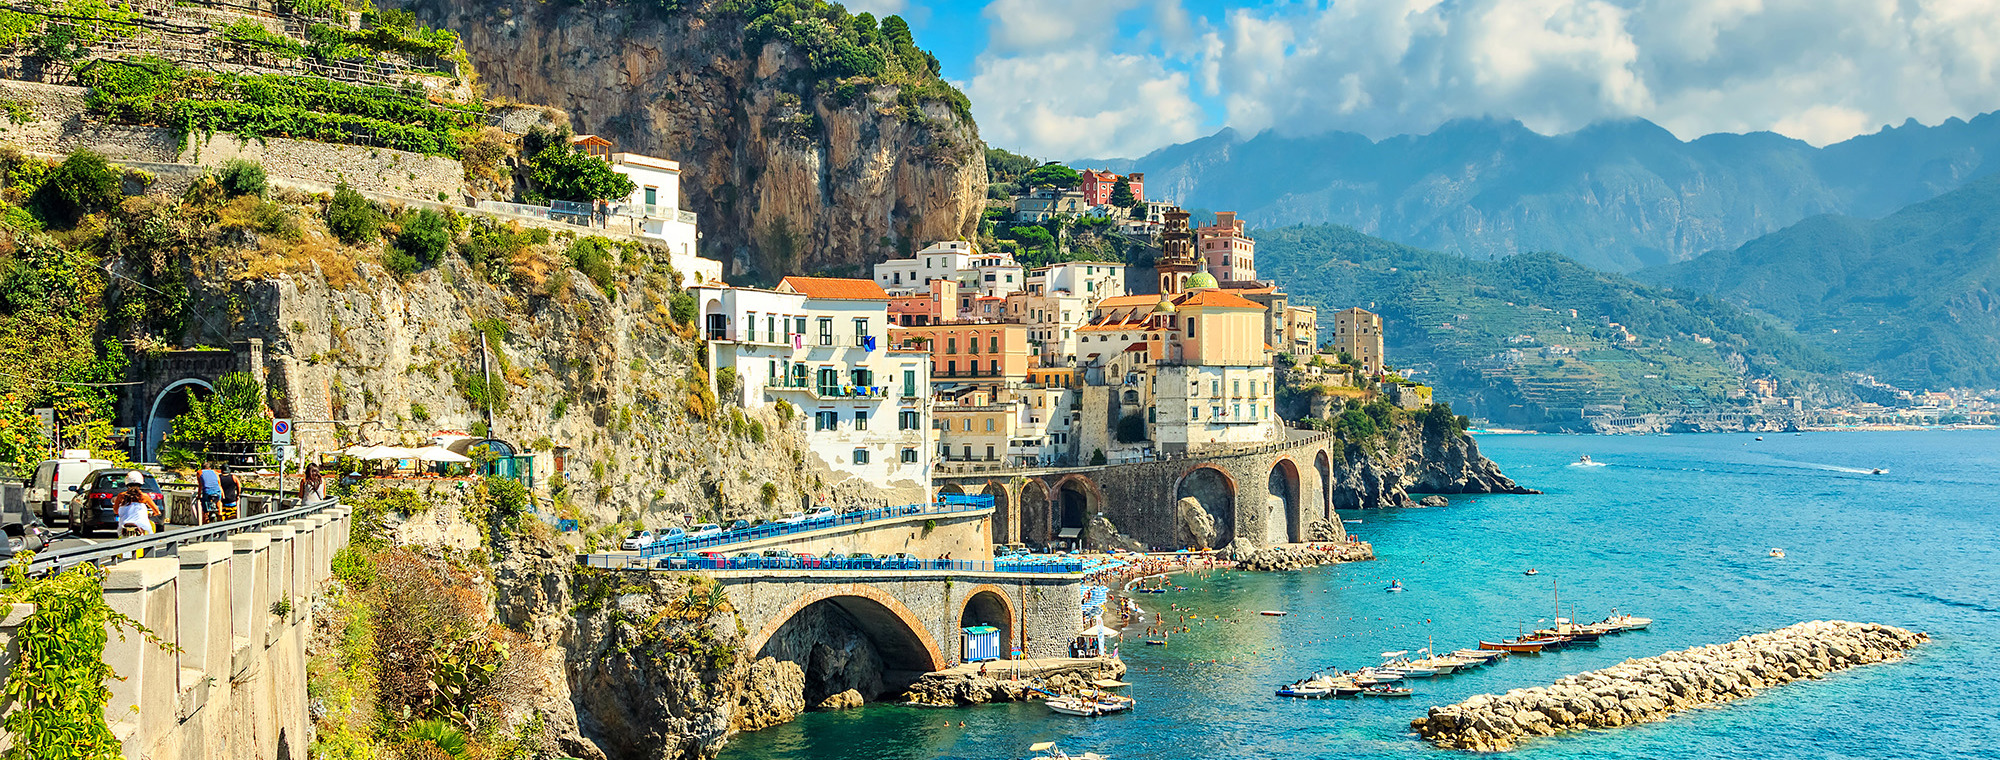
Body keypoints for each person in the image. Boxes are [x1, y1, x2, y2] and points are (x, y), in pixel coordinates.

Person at [114, 472, 161, 555]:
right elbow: (156, 510)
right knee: (150, 536)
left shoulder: (121, 496)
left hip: (124, 524)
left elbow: (115, 510)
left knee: (120, 536)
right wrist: (154, 514)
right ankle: (149, 553)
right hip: (142, 525)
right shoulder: (144, 496)